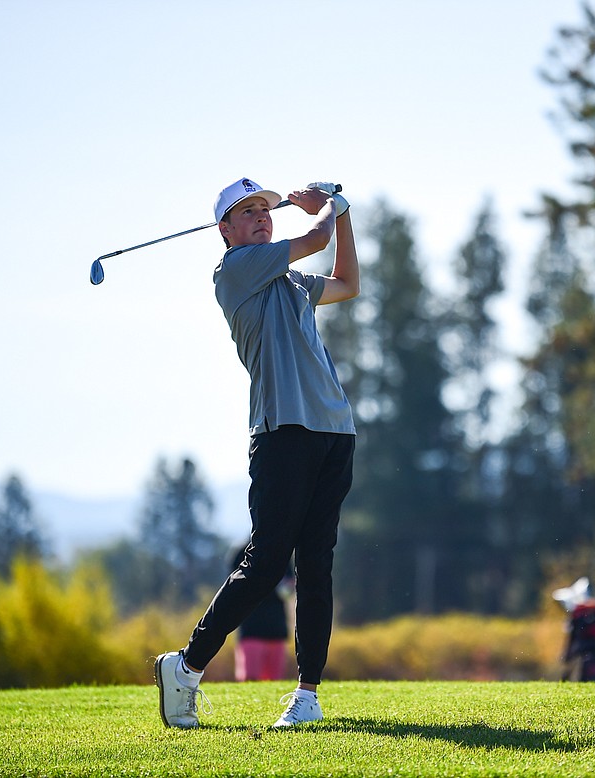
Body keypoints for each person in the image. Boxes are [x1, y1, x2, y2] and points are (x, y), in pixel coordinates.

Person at [154, 177, 359, 730]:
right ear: (225, 231)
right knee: (267, 561)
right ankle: (187, 666)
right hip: (281, 433)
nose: (263, 217)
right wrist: (329, 208)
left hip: (333, 429)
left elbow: (346, 282)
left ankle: (308, 696)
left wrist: (343, 217)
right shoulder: (234, 272)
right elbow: (314, 241)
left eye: (267, 209)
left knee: (316, 566)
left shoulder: (290, 281)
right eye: (248, 213)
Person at [230, 543, 293, 682]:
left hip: (277, 628)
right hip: (251, 629)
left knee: (274, 681)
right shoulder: (241, 553)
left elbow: (288, 588)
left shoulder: (283, 553)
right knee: (250, 679)